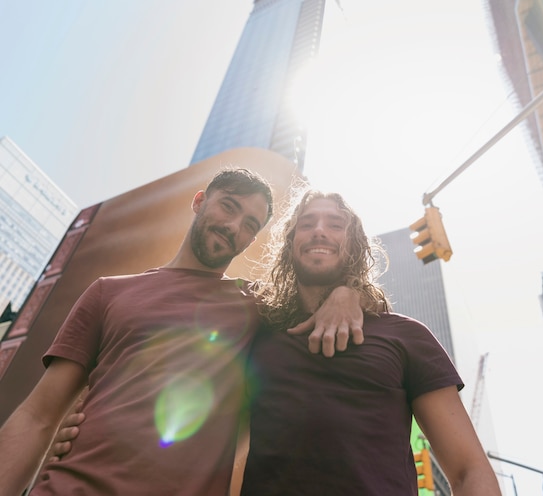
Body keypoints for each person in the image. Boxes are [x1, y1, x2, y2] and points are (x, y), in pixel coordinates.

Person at [0, 169, 364, 496]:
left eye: (250, 224)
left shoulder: (259, 307)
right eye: (228, 207)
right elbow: (38, 416)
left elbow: (319, 287)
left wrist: (348, 293)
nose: (234, 227)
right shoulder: (108, 291)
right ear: (199, 201)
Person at [238, 189, 502, 495]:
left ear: (355, 245)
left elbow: (468, 470)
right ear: (290, 241)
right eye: (307, 223)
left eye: (335, 224)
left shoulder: (406, 336)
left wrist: (350, 292)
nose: (319, 230)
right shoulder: (256, 328)